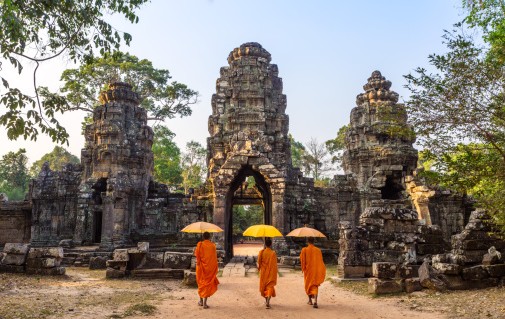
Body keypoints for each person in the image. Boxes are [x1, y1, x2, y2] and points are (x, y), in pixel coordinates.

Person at [194, 231, 220, 309]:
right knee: (207, 284)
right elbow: (214, 258)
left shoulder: (200, 245)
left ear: (203, 237)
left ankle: (201, 301)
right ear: (209, 237)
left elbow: (197, 257)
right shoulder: (213, 246)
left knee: (201, 283)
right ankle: (205, 303)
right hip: (210, 268)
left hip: (201, 268)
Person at [300, 236, 326, 308]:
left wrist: (303, 268)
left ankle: (310, 301)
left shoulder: (304, 250)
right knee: (314, 285)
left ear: (307, 241)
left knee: (308, 285)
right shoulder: (318, 250)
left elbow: (302, 260)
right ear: (314, 241)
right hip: (315, 270)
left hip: (308, 271)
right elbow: (320, 261)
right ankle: (315, 301)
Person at [257, 237, 278, 309]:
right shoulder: (273, 253)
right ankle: (268, 301)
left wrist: (259, 268)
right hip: (271, 272)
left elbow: (259, 262)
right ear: (271, 244)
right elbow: (275, 264)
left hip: (263, 272)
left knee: (264, 286)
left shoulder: (261, 252)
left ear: (265, 244)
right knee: (270, 286)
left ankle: (267, 301)